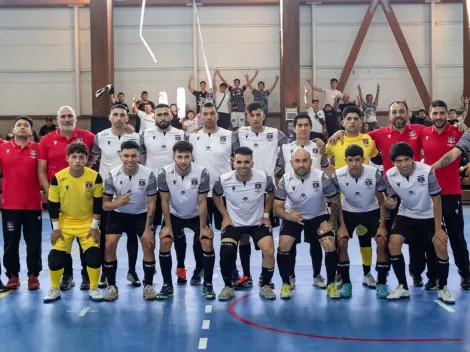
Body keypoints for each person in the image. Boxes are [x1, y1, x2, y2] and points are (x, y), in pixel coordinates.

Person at [384, 142, 455, 304]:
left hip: (429, 213)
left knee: (440, 244)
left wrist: (438, 229)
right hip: (407, 213)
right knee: (393, 244)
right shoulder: (389, 175)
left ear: (413, 159)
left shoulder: (427, 171)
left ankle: (443, 287)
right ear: (394, 162)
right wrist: (390, 204)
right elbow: (392, 198)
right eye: (399, 161)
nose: (403, 164)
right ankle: (402, 286)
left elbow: (437, 200)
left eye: (407, 160)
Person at [38, 106, 95, 291]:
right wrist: (52, 196)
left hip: (83, 199)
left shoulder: (88, 136)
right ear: (57, 119)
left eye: (70, 115)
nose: (66, 118)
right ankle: (67, 276)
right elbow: (41, 170)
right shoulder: (46, 140)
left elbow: (94, 159)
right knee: (63, 241)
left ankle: (87, 276)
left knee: (86, 240)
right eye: (63, 116)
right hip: (59, 200)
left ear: (76, 118)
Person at [275, 113, 333, 289]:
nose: (302, 128)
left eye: (306, 125)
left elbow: (326, 168)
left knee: (316, 242)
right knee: (289, 243)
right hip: (293, 203)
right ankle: (290, 276)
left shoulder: (318, 147)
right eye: (299, 125)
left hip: (316, 204)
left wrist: (345, 176)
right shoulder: (284, 148)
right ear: (293, 128)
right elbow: (278, 172)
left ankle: (317, 275)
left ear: (310, 127)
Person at [274, 148, 341, 299]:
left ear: (311, 162)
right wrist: (288, 216)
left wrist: (331, 223)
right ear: (291, 163)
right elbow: (277, 207)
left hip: (318, 215)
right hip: (294, 216)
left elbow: (335, 201)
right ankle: (286, 282)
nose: (301, 165)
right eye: (297, 161)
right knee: (284, 245)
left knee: (329, 243)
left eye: (305, 161)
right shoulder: (285, 179)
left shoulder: (322, 177)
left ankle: (329, 283)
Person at [213, 147, 276, 301]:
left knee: (268, 250)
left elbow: (271, 192)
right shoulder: (224, 179)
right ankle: (228, 286)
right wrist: (225, 216)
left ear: (252, 163)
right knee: (226, 252)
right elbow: (216, 195)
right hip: (234, 224)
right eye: (239, 162)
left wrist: (266, 215)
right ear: (233, 162)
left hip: (257, 223)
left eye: (246, 162)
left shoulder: (263, 177)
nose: (242, 165)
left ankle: (266, 285)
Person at [90, 104, 142, 289]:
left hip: (132, 191)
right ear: (110, 117)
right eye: (115, 115)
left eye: (122, 115)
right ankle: (105, 272)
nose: (119, 118)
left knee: (132, 236)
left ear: (127, 118)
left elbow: (141, 161)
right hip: (107, 193)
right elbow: (93, 158)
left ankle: (132, 271)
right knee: (107, 237)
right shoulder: (100, 137)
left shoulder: (136, 136)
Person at [43, 143, 104, 302]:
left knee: (93, 256)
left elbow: (98, 204)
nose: (78, 160)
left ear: (86, 159)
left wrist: (94, 227)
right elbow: (52, 206)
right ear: (67, 159)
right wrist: (56, 229)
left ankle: (93, 287)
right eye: (74, 157)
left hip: (87, 223)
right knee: (55, 257)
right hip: (65, 223)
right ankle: (54, 288)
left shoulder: (95, 177)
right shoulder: (58, 178)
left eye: (81, 157)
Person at [157, 141, 215, 300]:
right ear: (173, 157)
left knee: (206, 241)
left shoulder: (202, 172)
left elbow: (203, 201)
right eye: (180, 157)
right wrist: (167, 226)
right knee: (165, 241)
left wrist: (203, 228)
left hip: (196, 214)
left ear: (192, 157)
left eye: (187, 157)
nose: (183, 161)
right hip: (175, 214)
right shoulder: (163, 173)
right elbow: (164, 201)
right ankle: (167, 285)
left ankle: (208, 284)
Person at [102, 141, 158, 301]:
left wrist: (148, 228)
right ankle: (111, 286)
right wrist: (118, 203)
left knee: (148, 243)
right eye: (126, 155)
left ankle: (148, 285)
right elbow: (105, 205)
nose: (130, 159)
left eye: (133, 155)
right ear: (120, 156)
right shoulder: (112, 174)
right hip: (119, 214)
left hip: (141, 214)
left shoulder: (148, 174)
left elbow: (152, 203)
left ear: (139, 155)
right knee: (109, 244)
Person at [331, 145, 389, 298]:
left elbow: (382, 201)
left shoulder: (374, 173)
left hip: (371, 211)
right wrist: (341, 226)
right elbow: (336, 203)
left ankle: (381, 282)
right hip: (348, 212)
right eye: (350, 160)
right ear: (346, 161)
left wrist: (382, 226)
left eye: (357, 160)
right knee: (341, 242)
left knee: (382, 242)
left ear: (364, 159)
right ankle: (346, 283)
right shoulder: (337, 175)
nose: (354, 164)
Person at [424, 100, 470, 289]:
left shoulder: (459, 131)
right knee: (431, 236)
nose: (438, 117)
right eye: (435, 113)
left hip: (451, 193)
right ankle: (433, 276)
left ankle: (465, 275)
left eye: (442, 113)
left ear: (447, 114)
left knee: (456, 236)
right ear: (430, 114)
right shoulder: (423, 133)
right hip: (428, 194)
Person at [189, 103, 234, 285]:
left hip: (225, 194)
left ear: (217, 116)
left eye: (212, 113)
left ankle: (231, 268)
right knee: (200, 233)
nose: (208, 117)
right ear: (200, 116)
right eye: (205, 114)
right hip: (201, 194)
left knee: (229, 233)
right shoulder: (192, 137)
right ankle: (199, 268)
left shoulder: (229, 136)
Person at [0, 116, 42, 291]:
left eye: (26, 125)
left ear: (31, 131)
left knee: (34, 243)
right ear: (13, 130)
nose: (22, 127)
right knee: (11, 243)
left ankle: (33, 275)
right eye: (19, 125)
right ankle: (13, 276)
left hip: (33, 206)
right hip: (10, 206)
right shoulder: (2, 149)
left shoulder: (39, 149)